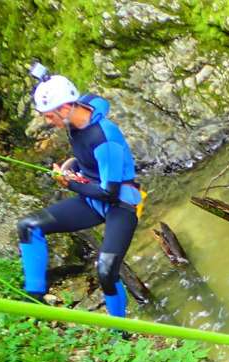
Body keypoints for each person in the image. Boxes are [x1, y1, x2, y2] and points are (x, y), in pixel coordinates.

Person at [16, 68, 142, 317]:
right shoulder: (78, 113)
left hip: (120, 204)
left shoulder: (105, 138)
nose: (47, 122)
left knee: (106, 271)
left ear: (64, 109)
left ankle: (121, 330)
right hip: (92, 197)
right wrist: (71, 166)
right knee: (29, 226)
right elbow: (87, 156)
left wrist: (69, 183)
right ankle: (34, 298)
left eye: (49, 116)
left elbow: (109, 192)